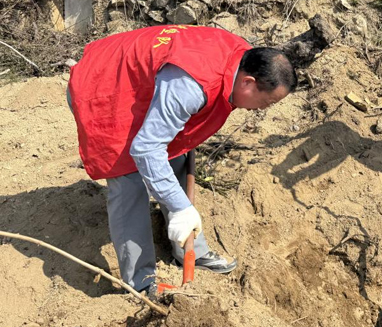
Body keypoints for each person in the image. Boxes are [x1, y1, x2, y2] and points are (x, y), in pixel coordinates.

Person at [67, 25, 297, 295]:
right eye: (267, 102)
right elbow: (147, 147)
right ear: (248, 82)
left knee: (175, 159)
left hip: (145, 82)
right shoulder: (191, 84)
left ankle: (189, 251)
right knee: (128, 179)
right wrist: (179, 206)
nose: (262, 110)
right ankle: (140, 281)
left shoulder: (242, 57)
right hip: (105, 86)